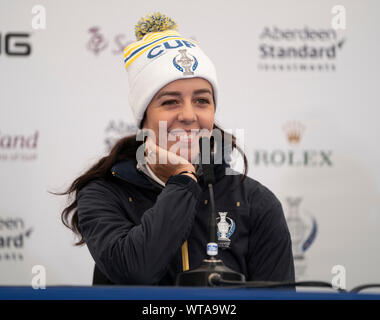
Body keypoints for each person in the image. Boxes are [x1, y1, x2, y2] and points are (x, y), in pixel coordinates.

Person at [60, 13, 295, 286]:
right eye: (171, 102)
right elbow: (136, 272)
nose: (188, 115)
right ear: (144, 117)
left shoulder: (255, 202)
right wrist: (183, 180)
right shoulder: (105, 192)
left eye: (202, 101)